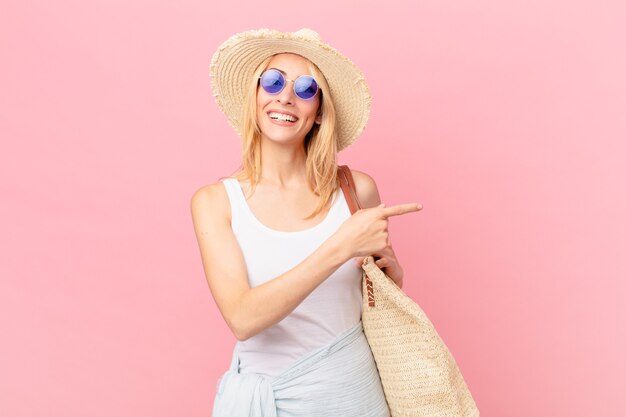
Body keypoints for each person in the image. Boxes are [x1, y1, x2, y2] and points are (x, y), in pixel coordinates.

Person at [191, 28, 422, 416]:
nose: (285, 96)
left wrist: (392, 279)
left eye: (304, 88)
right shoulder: (216, 203)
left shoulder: (357, 190)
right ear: (256, 96)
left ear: (319, 112)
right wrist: (339, 248)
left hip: (353, 397)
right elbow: (243, 319)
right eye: (273, 81)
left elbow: (366, 299)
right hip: (267, 404)